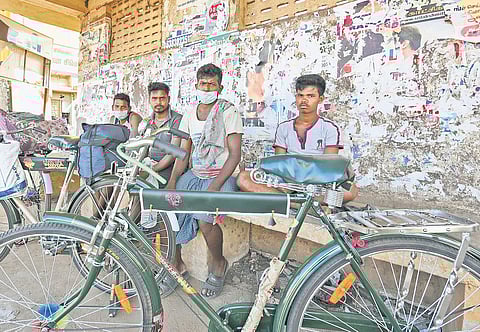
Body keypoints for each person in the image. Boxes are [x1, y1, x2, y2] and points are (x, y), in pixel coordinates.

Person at [165, 63, 243, 298]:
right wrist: (173, 180)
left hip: (223, 175)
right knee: (171, 210)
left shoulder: (229, 111)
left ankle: (218, 265)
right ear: (196, 85)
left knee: (205, 220)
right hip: (195, 174)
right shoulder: (190, 112)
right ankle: (176, 265)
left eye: (211, 84)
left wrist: (215, 186)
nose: (206, 87)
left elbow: (235, 155)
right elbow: (184, 152)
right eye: (203, 84)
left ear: (220, 86)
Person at [237, 74, 358, 203]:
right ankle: (301, 204)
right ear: (296, 97)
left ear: (320, 99)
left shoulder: (329, 128)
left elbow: (328, 169)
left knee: (351, 191)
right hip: (286, 182)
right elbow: (279, 164)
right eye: (300, 95)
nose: (304, 101)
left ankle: (286, 202)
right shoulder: (284, 128)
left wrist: (308, 183)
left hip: (316, 184)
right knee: (243, 178)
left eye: (310, 96)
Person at [139, 82, 183, 182]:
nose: (158, 102)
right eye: (154, 99)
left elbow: (172, 153)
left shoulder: (177, 120)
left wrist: (151, 170)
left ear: (169, 99)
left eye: (162, 98)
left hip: (168, 170)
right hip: (147, 166)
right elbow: (143, 149)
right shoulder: (146, 122)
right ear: (149, 100)